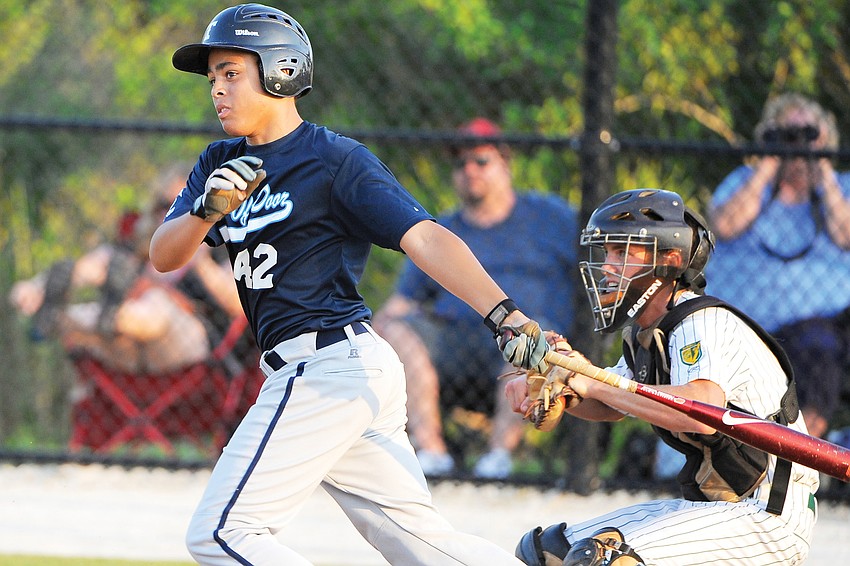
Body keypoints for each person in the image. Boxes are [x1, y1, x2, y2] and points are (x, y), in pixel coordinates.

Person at [151, 5, 545, 564]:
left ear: (281, 71)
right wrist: (205, 211)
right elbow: (164, 255)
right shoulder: (219, 160)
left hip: (328, 365)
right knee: (420, 543)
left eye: (231, 72)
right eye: (213, 76)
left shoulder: (333, 159)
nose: (217, 88)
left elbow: (425, 238)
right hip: (331, 371)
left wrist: (504, 314)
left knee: (222, 532)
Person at [504, 189, 819, 565]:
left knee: (605, 560)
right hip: (717, 510)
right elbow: (612, 404)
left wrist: (591, 381)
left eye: (622, 252)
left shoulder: (701, 321)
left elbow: (699, 411)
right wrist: (564, 383)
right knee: (545, 553)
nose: (607, 267)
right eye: (607, 253)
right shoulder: (650, 334)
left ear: (670, 259)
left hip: (768, 514)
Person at [374, 117, 578, 479]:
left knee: (528, 333)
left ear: (505, 164)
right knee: (397, 329)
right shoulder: (440, 231)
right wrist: (374, 333)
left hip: (525, 339)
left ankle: (499, 458)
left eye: (481, 161)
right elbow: (402, 303)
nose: (470, 170)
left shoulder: (551, 218)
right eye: (460, 163)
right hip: (455, 343)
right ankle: (431, 453)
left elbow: (592, 271)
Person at [706, 92, 850, 439]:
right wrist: (768, 164)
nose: (798, 146)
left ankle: (808, 448)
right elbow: (724, 224)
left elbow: (846, 234)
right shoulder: (746, 181)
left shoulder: (839, 188)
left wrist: (822, 167)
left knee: (821, 348)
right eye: (788, 134)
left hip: (825, 329)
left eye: (808, 134)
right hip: (749, 327)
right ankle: (792, 450)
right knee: (816, 348)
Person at [9, 164, 232, 376]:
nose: (172, 212)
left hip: (183, 345)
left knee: (155, 303)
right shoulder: (139, 249)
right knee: (111, 269)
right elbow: (96, 264)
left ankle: (110, 316)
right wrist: (34, 287)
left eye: (188, 205)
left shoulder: (219, 248)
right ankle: (54, 312)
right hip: (127, 349)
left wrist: (201, 261)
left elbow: (237, 304)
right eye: (166, 205)